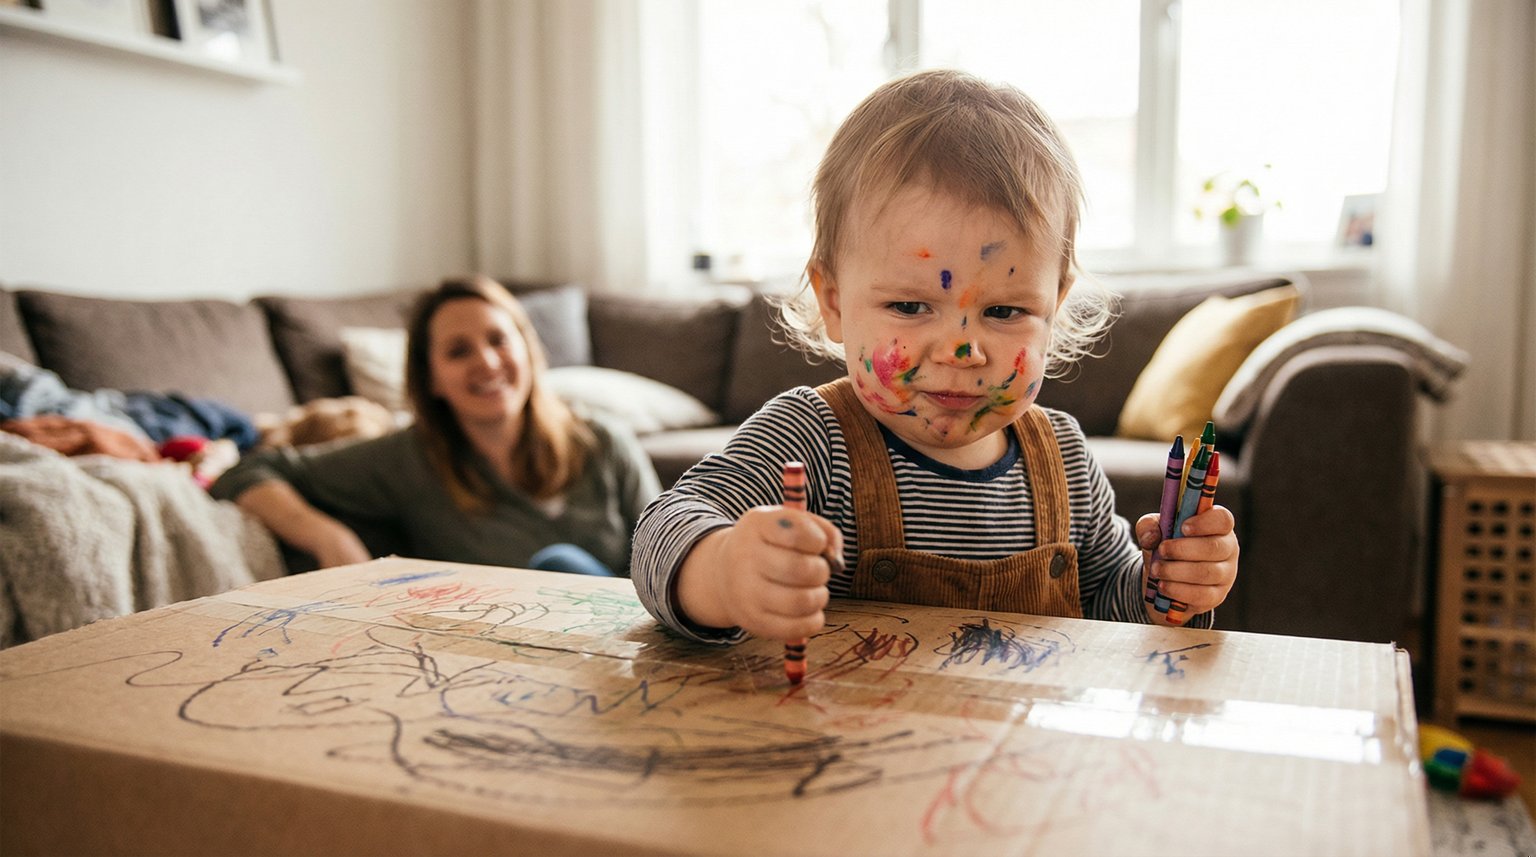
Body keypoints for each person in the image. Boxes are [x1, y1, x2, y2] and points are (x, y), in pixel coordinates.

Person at [632, 70, 1238, 642]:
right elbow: (660, 531)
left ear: (1054, 306)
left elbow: (1111, 612)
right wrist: (724, 572)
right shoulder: (811, 437)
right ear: (835, 302)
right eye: (910, 306)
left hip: (1021, 753)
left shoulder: (1065, 461)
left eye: (1004, 312)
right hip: (851, 747)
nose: (961, 351)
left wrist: (1171, 588)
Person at [212, 275, 661, 576]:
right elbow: (248, 472)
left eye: (498, 340)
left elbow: (667, 561)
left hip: (624, 649)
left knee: (559, 564)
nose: (486, 361)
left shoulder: (606, 443)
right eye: (459, 351)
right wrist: (329, 538)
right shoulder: (409, 458)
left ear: (528, 350)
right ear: (432, 380)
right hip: (502, 665)